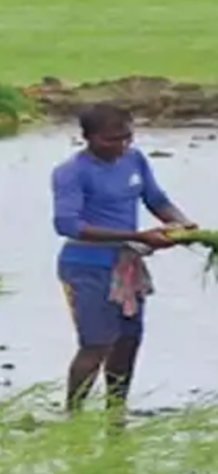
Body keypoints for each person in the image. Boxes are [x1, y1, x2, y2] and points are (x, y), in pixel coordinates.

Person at [52, 105, 195, 412]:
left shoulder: (134, 160)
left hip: (127, 265)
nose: (121, 145)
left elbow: (156, 200)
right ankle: (72, 415)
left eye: (126, 137)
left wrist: (181, 225)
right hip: (86, 267)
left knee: (127, 342)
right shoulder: (72, 172)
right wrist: (138, 237)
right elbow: (68, 225)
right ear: (88, 138)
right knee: (96, 344)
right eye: (111, 140)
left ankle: (116, 415)